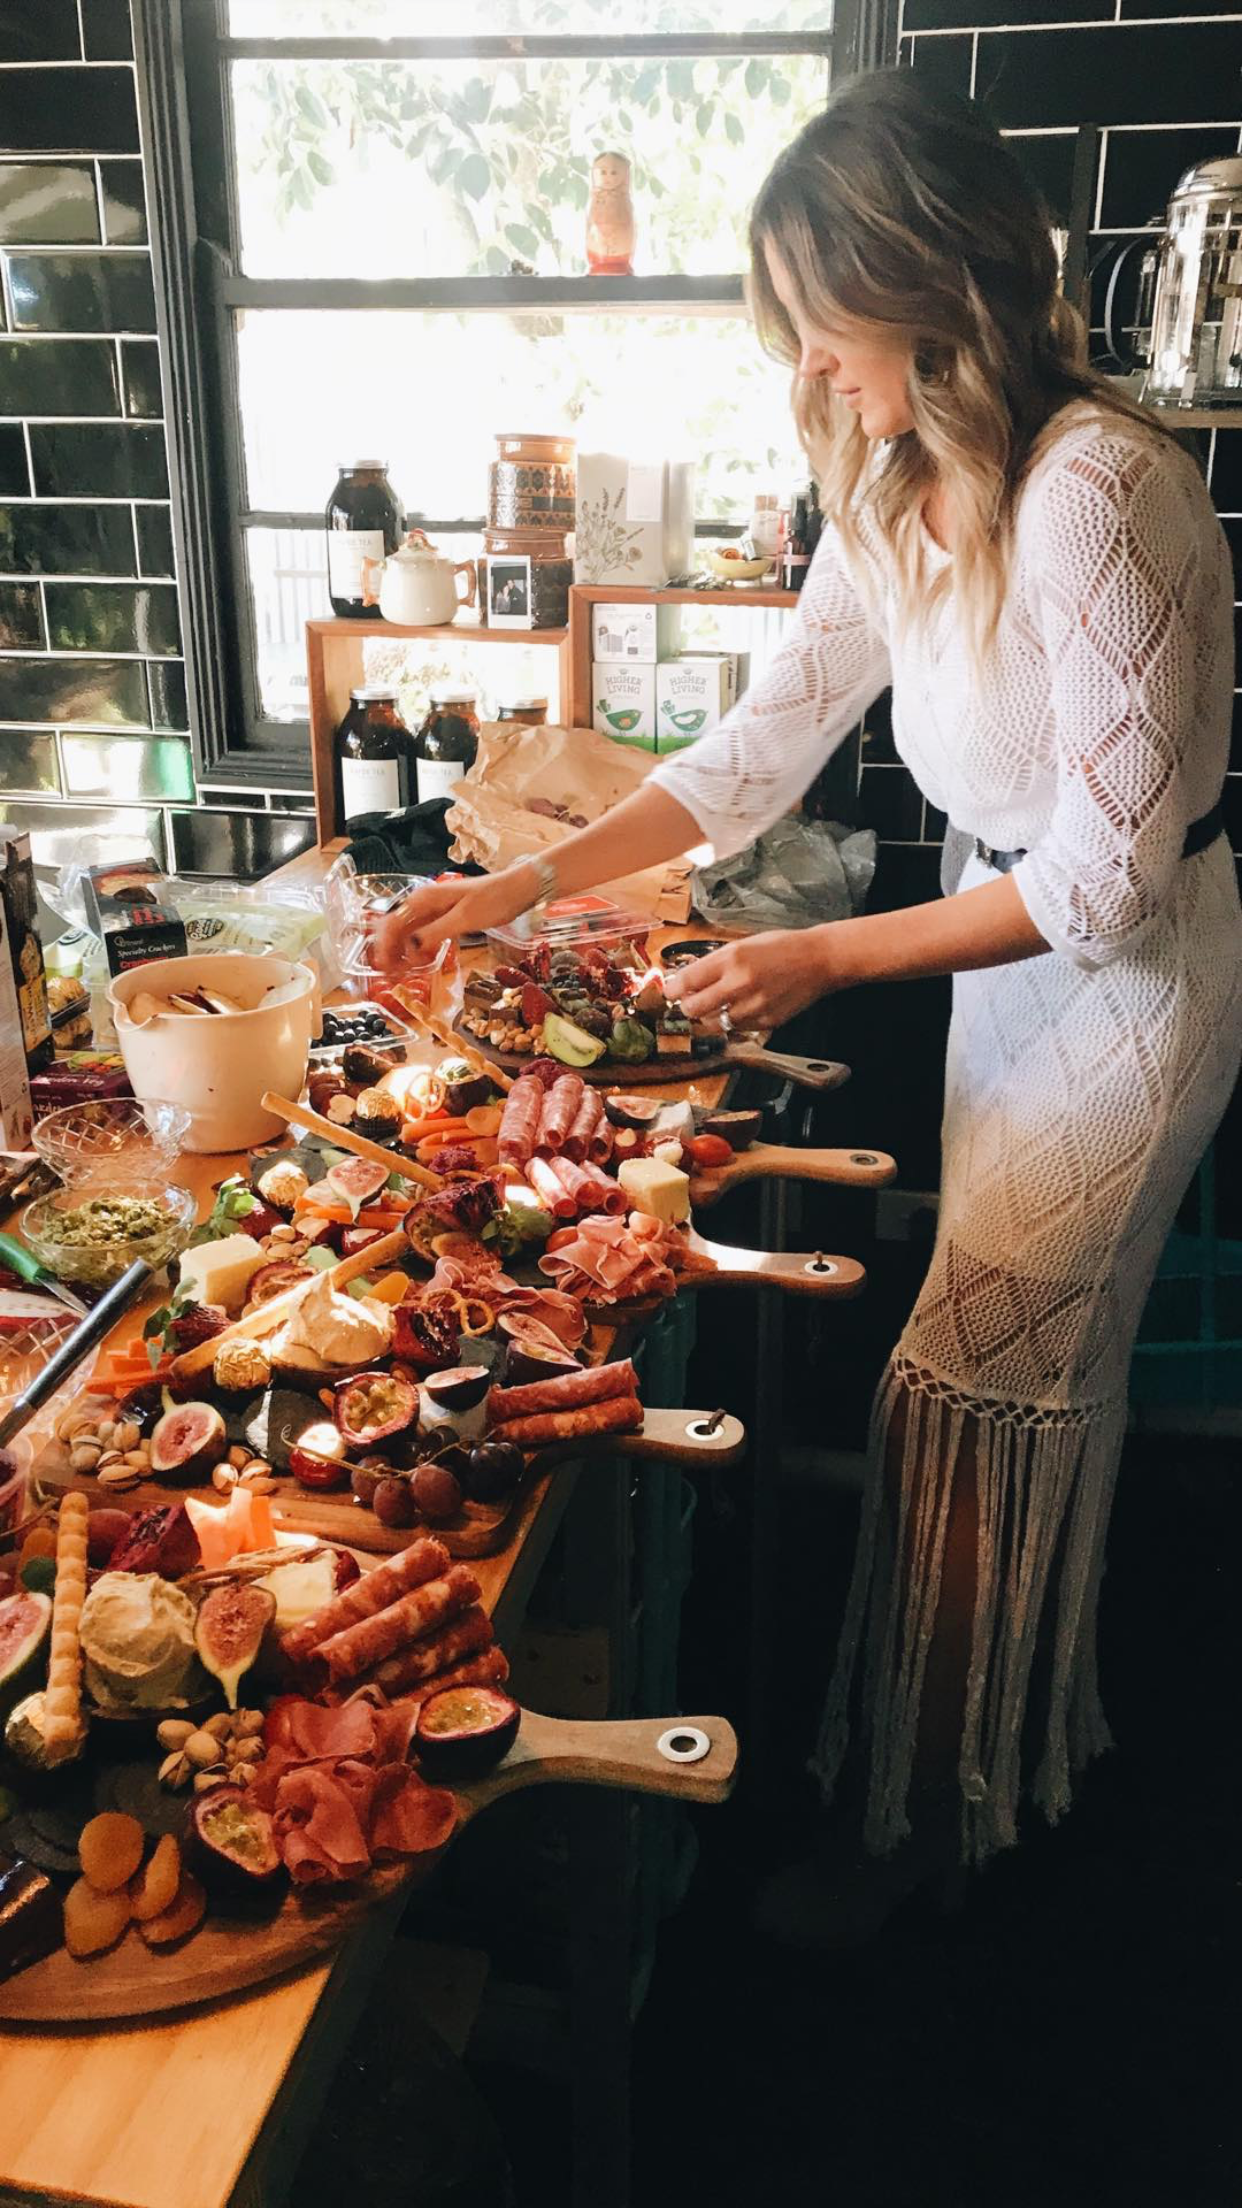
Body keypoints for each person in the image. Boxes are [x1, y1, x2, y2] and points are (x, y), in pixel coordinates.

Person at [373, 73, 1242, 1924]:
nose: (796, 363)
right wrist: (507, 884)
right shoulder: (897, 485)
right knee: (987, 1383)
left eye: (810, 317)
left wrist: (821, 955)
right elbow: (748, 757)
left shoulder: (1098, 488)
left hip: (1135, 988)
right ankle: (994, 1748)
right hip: (1010, 968)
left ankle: (928, 1836)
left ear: (921, 276)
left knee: (969, 1382)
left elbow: (1107, 880)